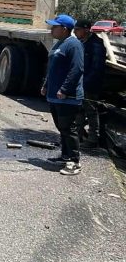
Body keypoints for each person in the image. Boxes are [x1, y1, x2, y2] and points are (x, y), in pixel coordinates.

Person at [42, 14, 84, 176]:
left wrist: (65, 89)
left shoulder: (73, 45)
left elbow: (77, 69)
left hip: (68, 97)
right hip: (54, 95)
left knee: (69, 128)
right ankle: (65, 156)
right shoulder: (59, 44)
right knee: (62, 128)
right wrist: (46, 85)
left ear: (64, 29)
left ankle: (74, 161)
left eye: (55, 27)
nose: (52, 29)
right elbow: (52, 68)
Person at [73, 19, 106, 149]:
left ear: (86, 30)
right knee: (79, 109)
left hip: (91, 84)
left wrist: (85, 83)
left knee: (91, 111)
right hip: (81, 82)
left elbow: (96, 68)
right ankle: (78, 134)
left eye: (77, 30)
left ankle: (93, 139)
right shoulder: (82, 42)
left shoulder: (95, 45)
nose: (75, 32)